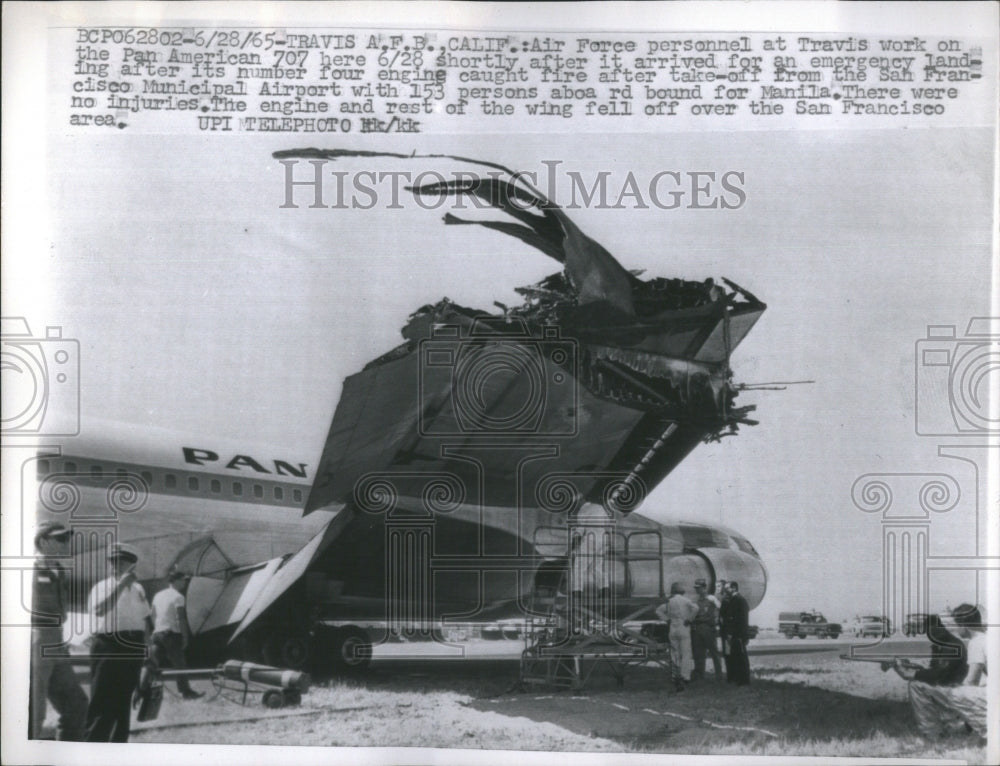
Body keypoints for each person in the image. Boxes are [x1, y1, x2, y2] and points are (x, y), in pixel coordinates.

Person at [85, 543, 153, 742]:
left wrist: (148, 655)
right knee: (102, 700)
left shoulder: (139, 589)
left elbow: (145, 621)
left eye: (121, 563)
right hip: (109, 645)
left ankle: (117, 750)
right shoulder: (102, 586)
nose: (114, 566)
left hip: (133, 645)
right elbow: (98, 611)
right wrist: (121, 585)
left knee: (124, 702)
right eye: (112, 562)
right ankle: (93, 748)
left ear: (132, 566)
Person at [29, 522, 88, 741]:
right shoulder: (28, 569)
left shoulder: (59, 570)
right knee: (34, 710)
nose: (67, 543)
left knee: (76, 705)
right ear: (43, 542)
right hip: (36, 640)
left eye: (67, 538)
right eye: (60, 539)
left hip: (56, 641)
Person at [895, 604, 987, 739]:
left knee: (916, 685)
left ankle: (933, 733)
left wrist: (908, 672)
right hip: (984, 693)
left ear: (963, 624)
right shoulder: (986, 638)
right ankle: (957, 723)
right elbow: (938, 671)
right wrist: (916, 669)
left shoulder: (968, 644)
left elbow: (969, 680)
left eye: (955, 624)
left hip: (980, 695)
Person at [150, 570, 204, 700]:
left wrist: (158, 627)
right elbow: (181, 618)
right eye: (182, 580)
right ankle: (186, 692)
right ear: (174, 581)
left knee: (151, 664)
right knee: (180, 664)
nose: (185, 582)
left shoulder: (158, 595)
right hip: (171, 634)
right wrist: (185, 636)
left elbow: (153, 615)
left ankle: (142, 689)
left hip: (157, 633)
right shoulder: (178, 597)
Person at [655, 582, 698, 692]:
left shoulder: (669, 601)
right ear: (682, 591)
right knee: (686, 653)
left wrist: (667, 620)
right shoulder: (685, 600)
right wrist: (690, 619)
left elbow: (658, 611)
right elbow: (695, 608)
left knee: (675, 653)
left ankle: (675, 676)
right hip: (683, 627)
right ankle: (685, 677)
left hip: (673, 628)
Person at [690, 578, 722, 681]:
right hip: (698, 628)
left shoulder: (712, 598)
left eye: (698, 588)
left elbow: (721, 609)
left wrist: (716, 620)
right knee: (698, 653)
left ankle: (719, 675)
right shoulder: (696, 600)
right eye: (696, 588)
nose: (697, 590)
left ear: (704, 587)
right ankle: (700, 675)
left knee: (714, 652)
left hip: (709, 629)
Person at [719, 581, 751, 686]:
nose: (725, 589)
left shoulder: (740, 600)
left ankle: (744, 680)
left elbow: (743, 620)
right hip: (730, 634)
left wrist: (744, 636)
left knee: (740, 657)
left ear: (734, 588)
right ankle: (734, 678)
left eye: (727, 588)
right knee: (732, 657)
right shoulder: (730, 600)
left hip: (737, 634)